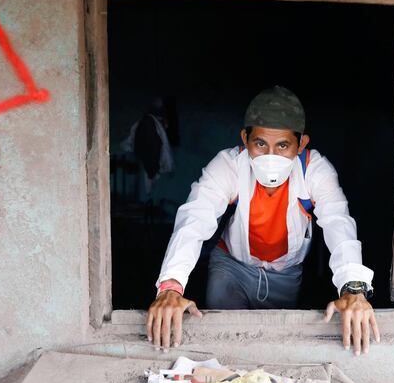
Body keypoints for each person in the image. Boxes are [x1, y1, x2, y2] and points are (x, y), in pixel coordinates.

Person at [147, 86, 379, 355]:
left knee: (276, 351)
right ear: (245, 139)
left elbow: (339, 222)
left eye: (283, 145)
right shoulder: (229, 166)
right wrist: (170, 287)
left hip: (286, 275)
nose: (271, 156)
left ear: (301, 144)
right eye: (260, 144)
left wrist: (353, 288)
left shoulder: (314, 170)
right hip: (231, 269)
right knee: (223, 348)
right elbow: (194, 219)